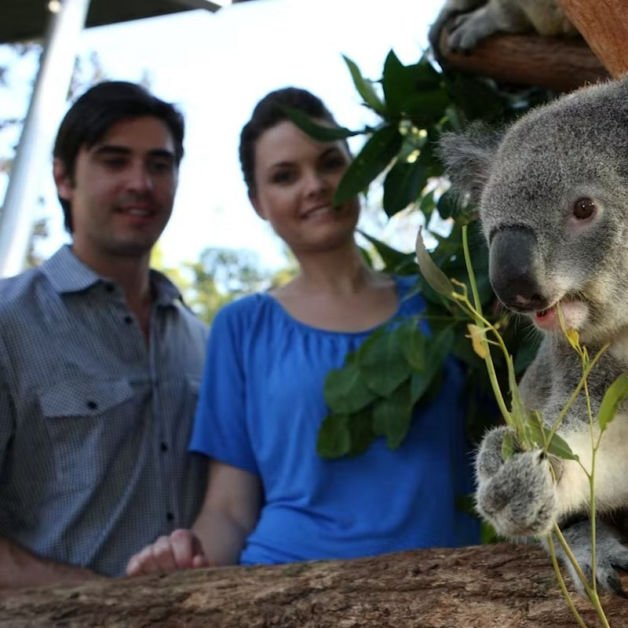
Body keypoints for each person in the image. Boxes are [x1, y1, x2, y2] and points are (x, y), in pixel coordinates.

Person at [126, 87, 479, 575]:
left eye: (330, 163)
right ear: (258, 202)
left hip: (452, 589)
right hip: (287, 589)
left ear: (358, 168)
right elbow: (230, 509)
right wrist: (185, 561)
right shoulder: (242, 326)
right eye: (285, 176)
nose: (314, 185)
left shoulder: (447, 300)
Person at [0, 81, 208, 588]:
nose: (141, 183)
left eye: (160, 165)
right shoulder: (8, 323)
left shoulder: (205, 343)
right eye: (114, 161)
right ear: (63, 177)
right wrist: (99, 599)